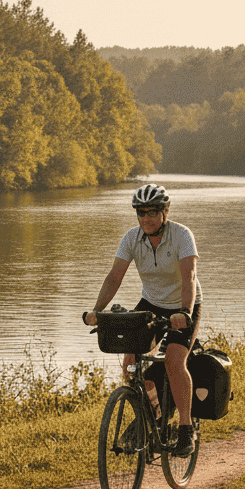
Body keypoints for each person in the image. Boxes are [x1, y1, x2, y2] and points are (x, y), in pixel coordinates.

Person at [83, 183, 202, 456]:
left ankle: (185, 429)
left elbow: (189, 277)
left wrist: (184, 312)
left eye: (152, 211)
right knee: (130, 367)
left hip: (185, 305)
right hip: (151, 303)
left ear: (165, 212)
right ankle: (156, 416)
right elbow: (115, 277)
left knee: (174, 361)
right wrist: (97, 310)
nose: (146, 218)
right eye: (141, 212)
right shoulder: (131, 238)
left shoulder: (182, 235)